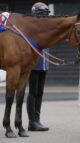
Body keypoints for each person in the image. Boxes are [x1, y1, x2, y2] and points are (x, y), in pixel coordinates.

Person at [27, 2, 50, 131]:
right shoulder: (30, 27)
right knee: (33, 92)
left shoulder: (46, 27)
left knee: (40, 92)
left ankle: (37, 119)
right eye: (42, 14)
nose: (44, 17)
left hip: (44, 63)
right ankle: (32, 122)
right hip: (34, 64)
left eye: (46, 15)